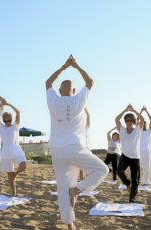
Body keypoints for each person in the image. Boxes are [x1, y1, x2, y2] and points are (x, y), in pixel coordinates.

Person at [46, 55, 108, 230]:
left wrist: (64, 67)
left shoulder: (53, 101)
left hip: (57, 151)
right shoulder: (77, 100)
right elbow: (90, 81)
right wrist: (76, 66)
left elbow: (47, 82)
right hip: (75, 149)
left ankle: (70, 225)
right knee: (102, 170)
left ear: (60, 90)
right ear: (73, 91)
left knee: (63, 189)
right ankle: (79, 189)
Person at [0, 100, 27, 195]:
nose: (7, 119)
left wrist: (7, 104)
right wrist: (2, 106)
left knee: (23, 165)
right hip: (6, 151)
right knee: (9, 175)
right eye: (5, 117)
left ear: (11, 118)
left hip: (16, 149)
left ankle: (15, 175)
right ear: (4, 119)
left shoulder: (15, 126)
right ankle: (13, 193)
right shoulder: (1, 127)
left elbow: (18, 112)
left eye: (8, 117)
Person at [115, 104, 144, 203]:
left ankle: (132, 198)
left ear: (134, 121)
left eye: (131, 120)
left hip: (135, 157)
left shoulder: (137, 129)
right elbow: (116, 119)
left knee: (135, 180)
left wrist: (134, 110)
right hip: (125, 156)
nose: (129, 122)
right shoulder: (122, 129)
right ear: (125, 121)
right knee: (119, 171)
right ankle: (127, 184)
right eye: (127, 120)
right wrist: (125, 110)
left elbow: (142, 119)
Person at [139, 106, 151, 185]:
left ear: (146, 124)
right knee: (138, 166)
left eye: (144, 124)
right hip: (139, 151)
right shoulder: (138, 130)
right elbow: (137, 119)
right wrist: (141, 111)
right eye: (142, 123)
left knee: (146, 166)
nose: (143, 125)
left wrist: (147, 111)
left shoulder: (148, 131)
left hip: (146, 151)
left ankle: (146, 180)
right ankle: (139, 179)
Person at [79, 108, 91, 181]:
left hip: (87, 148)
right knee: (81, 167)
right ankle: (82, 181)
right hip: (80, 148)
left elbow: (88, 116)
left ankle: (85, 180)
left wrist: (84, 108)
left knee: (87, 166)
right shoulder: (77, 129)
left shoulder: (86, 127)